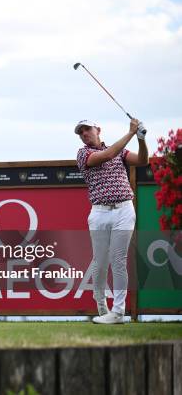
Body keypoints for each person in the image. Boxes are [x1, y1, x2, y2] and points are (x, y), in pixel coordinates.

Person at [75, 119, 148, 324]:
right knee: (100, 262)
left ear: (98, 130)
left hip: (124, 209)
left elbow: (143, 160)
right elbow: (107, 155)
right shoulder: (83, 154)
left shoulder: (120, 152)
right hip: (100, 213)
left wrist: (141, 139)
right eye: (81, 132)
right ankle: (100, 302)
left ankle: (117, 312)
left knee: (118, 260)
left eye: (87, 129)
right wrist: (131, 133)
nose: (84, 134)